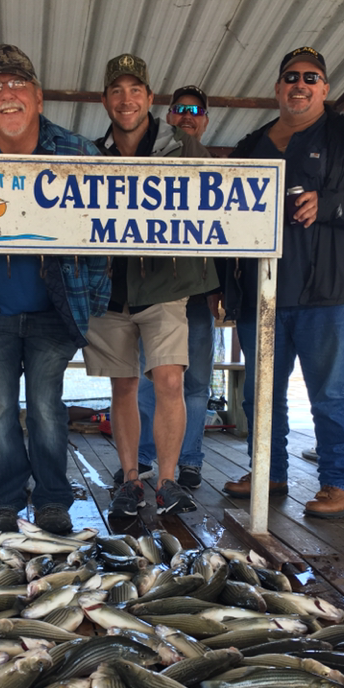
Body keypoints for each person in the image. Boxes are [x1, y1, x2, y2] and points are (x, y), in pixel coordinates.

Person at [0, 44, 111, 535]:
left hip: (54, 312)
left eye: (17, 85)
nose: (6, 95)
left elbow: (104, 237)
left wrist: (94, 298)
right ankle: (4, 501)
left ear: (37, 97)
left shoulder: (79, 153)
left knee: (46, 405)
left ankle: (54, 499)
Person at [222, 46, 344, 518]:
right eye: (291, 77)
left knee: (330, 393)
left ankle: (340, 483)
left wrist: (331, 204)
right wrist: (227, 287)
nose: (300, 84)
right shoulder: (251, 145)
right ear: (278, 87)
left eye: (311, 77)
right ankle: (269, 472)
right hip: (261, 298)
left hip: (329, 294)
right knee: (259, 395)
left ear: (324, 88)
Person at [85, 54, 221, 518]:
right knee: (122, 385)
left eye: (135, 90)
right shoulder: (91, 153)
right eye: (117, 91)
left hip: (166, 284)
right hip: (110, 288)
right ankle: (129, 479)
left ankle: (166, 479)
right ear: (106, 100)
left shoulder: (186, 148)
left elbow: (216, 208)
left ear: (150, 99)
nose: (127, 99)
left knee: (170, 378)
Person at [136, 84, 221, 491]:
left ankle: (190, 461)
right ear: (168, 116)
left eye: (197, 111)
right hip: (158, 288)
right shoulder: (152, 156)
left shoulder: (216, 166)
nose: (188, 115)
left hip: (200, 294)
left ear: (205, 121)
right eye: (180, 109)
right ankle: (142, 459)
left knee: (197, 382)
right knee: (152, 378)